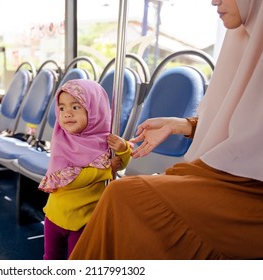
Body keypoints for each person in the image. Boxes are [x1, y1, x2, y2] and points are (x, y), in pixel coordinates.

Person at [69, 0, 263, 260]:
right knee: (126, 196)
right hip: (232, 177)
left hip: (251, 192)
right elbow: (241, 126)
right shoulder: (245, 44)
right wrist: (181, 125)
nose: (214, 1)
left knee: (125, 196)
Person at [38, 79, 132, 260]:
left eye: (75, 107)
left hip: (86, 219)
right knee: (51, 258)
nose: (66, 114)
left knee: (79, 258)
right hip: (56, 215)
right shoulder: (62, 139)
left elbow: (120, 164)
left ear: (94, 109)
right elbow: (70, 180)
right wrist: (104, 169)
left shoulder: (106, 139)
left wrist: (123, 149)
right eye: (62, 108)